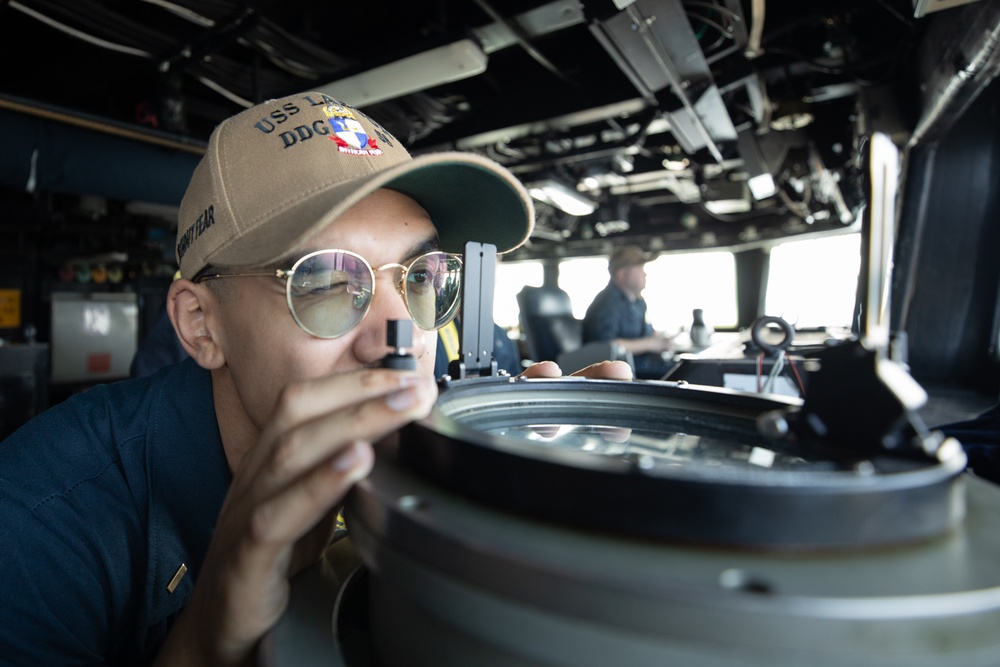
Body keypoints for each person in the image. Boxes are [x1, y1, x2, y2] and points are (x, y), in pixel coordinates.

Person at [0, 91, 631, 666]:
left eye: (421, 278)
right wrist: (205, 639)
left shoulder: (427, 445)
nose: (402, 337)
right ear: (200, 324)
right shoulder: (38, 522)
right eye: (328, 283)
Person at [582, 244, 674, 380]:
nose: (645, 273)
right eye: (640, 268)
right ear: (623, 274)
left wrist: (660, 340)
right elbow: (606, 346)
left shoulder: (639, 302)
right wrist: (650, 344)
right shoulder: (607, 303)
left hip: (643, 364)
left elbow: (647, 333)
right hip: (622, 372)